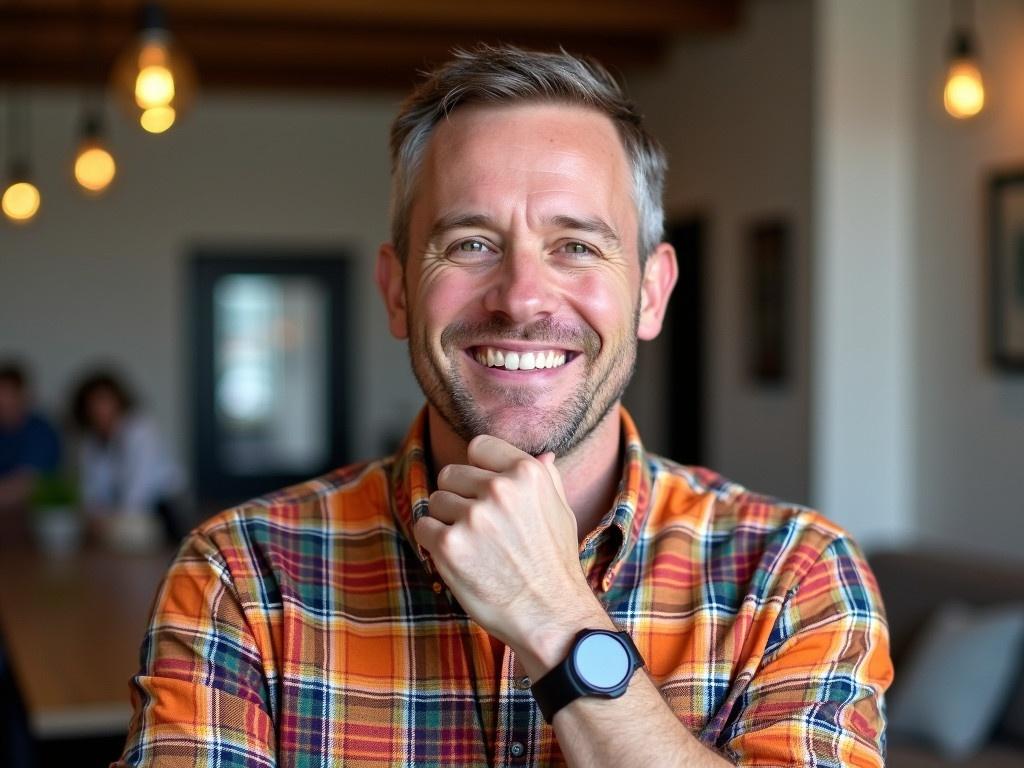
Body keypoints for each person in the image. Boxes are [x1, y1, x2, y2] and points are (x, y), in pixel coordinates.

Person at [116, 45, 893, 767]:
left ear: (652, 292)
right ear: (397, 292)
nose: (521, 297)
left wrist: (555, 616)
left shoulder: (796, 577)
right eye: (470, 244)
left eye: (577, 246)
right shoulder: (240, 579)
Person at [70, 369, 186, 544]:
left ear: (119, 401)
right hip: (115, 513)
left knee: (132, 532)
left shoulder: (141, 429)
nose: (99, 410)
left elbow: (140, 489)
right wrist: (95, 514)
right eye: (93, 404)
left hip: (159, 508)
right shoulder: (90, 442)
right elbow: (91, 489)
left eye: (104, 401)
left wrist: (114, 518)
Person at [0, 361, 61, 545]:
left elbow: (28, 484)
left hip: (33, 523)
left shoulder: (40, 430)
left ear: (23, 395)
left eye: (9, 394)